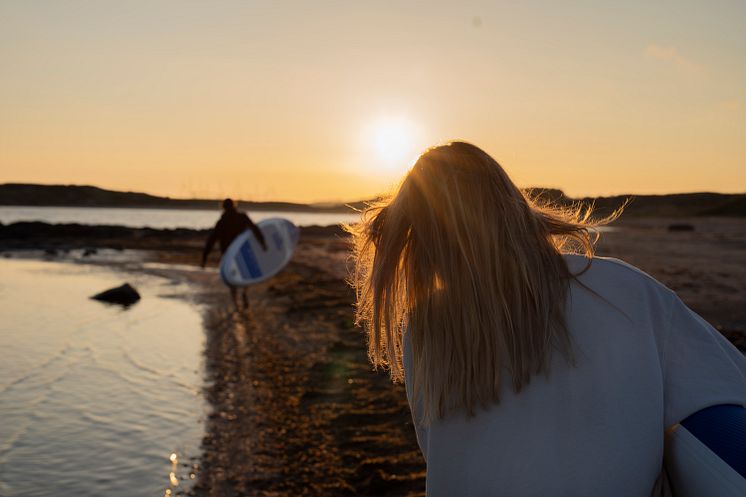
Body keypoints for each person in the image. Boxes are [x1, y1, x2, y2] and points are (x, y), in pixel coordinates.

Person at [347, 141, 746, 496]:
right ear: (512, 206)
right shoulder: (622, 289)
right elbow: (731, 385)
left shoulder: (424, 327)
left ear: (421, 237)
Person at [202, 198, 267, 311]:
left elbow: (212, 240)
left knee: (232, 277)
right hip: (243, 250)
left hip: (228, 254)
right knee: (246, 274)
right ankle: (244, 292)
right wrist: (262, 243)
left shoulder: (222, 221)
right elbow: (255, 229)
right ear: (234, 206)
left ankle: (236, 303)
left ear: (223, 207)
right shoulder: (242, 217)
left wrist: (204, 257)